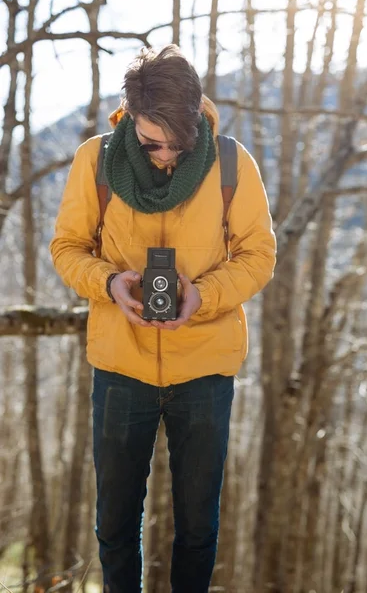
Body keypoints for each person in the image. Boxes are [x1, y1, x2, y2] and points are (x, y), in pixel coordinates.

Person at [50, 44, 276, 593]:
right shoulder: (95, 161)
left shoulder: (229, 162)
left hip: (205, 370)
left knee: (199, 527)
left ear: (197, 115)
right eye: (153, 143)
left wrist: (204, 294)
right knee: (116, 526)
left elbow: (259, 255)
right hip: (120, 368)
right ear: (129, 116)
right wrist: (108, 282)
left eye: (180, 142)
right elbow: (67, 247)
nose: (167, 156)